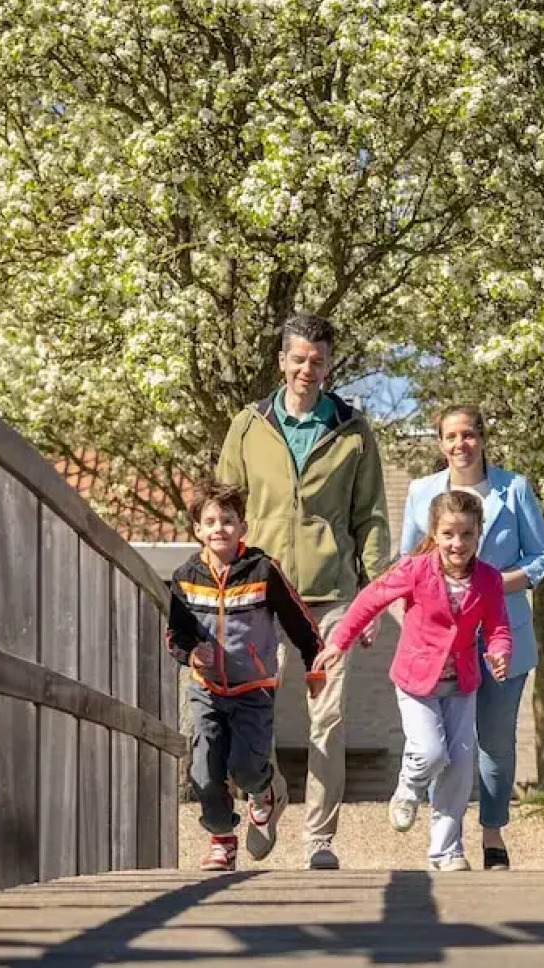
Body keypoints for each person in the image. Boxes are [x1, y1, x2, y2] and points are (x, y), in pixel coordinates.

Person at [216, 312, 393, 870]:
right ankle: (266, 796)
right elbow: (225, 507)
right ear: (281, 362)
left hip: (332, 595)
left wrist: (375, 600)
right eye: (298, 359)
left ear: (328, 364)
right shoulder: (248, 425)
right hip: (262, 593)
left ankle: (319, 837)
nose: (307, 370)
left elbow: (371, 518)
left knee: (329, 717)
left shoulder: (353, 430)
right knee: (254, 712)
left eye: (317, 361)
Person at [316, 489, 512, 872]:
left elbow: (498, 626)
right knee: (430, 752)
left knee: (458, 767)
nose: (458, 544)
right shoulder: (417, 569)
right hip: (416, 679)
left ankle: (447, 852)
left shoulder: (488, 579)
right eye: (449, 534)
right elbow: (371, 598)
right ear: (435, 534)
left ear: (478, 535)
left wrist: (500, 652)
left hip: (462, 681)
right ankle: (408, 788)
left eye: (467, 535)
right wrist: (341, 640)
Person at [399, 405, 544, 871]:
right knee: (444, 742)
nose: (460, 444)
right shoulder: (421, 492)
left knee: (496, 742)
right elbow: (409, 563)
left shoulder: (515, 489)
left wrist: (490, 583)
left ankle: (492, 831)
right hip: (443, 642)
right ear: (439, 442)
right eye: (450, 436)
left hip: (505, 635)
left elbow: (541, 559)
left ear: (482, 438)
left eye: (468, 434)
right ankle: (445, 841)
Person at [165, 481, 327, 872]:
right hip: (207, 690)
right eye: (210, 522)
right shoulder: (185, 576)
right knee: (204, 771)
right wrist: (191, 654)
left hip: (254, 688)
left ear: (243, 527)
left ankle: (264, 793)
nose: (219, 528)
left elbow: (299, 620)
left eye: (227, 520)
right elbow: (175, 635)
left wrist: (315, 664)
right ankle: (222, 840)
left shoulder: (262, 570)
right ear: (197, 530)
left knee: (245, 768)